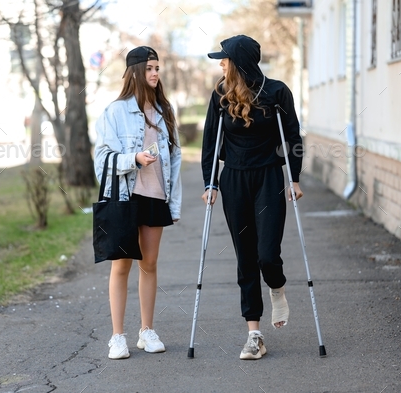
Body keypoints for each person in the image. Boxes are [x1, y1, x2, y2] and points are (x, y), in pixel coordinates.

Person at [201, 35, 304, 360]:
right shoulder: (221, 94)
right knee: (246, 257)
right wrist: (210, 182)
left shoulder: (276, 92)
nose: (221, 63)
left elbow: (292, 136)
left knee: (267, 255)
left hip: (269, 177)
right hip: (234, 180)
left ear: (239, 61)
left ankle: (276, 287)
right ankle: (254, 334)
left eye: (225, 58)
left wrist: (295, 177)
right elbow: (209, 143)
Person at [94, 46, 182, 360]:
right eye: (149, 68)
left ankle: (147, 330)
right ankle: (118, 336)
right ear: (135, 72)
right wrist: (133, 158)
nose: (155, 73)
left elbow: (175, 159)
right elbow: (101, 159)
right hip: (125, 197)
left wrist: (174, 204)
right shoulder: (115, 112)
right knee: (122, 266)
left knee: (150, 264)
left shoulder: (164, 111)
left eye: (157, 68)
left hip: (156, 195)